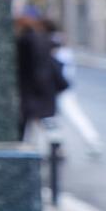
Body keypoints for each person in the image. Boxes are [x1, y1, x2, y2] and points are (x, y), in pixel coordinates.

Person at [15, 11, 63, 142]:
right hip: (46, 86)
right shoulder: (42, 38)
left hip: (32, 87)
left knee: (27, 120)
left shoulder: (24, 40)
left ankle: (24, 146)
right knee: (46, 119)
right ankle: (55, 143)